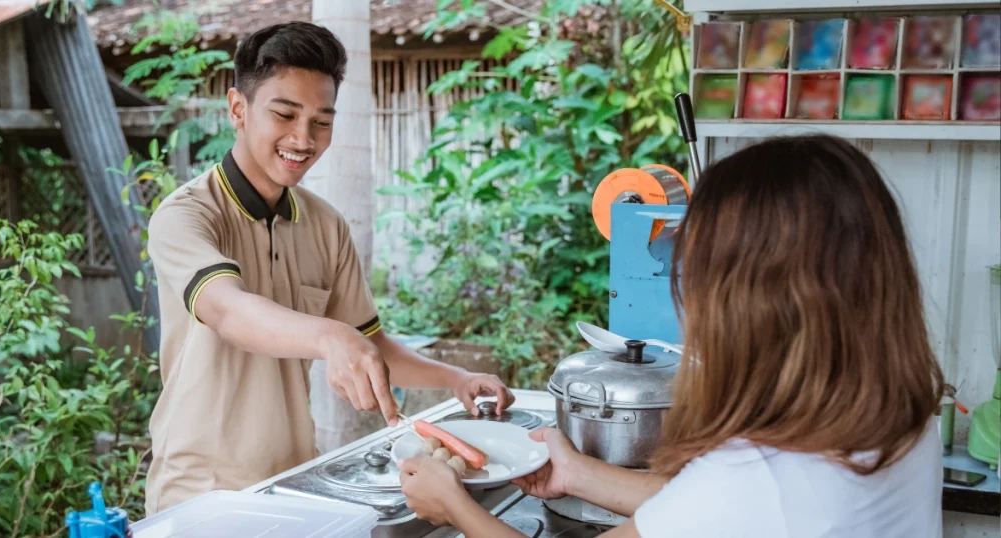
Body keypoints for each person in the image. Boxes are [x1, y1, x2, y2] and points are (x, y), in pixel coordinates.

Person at [399, 135, 945, 538]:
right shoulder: (898, 418)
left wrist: (456, 508)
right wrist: (581, 474)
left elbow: (737, 500)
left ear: (747, 301)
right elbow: (711, 513)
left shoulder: (755, 475)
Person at [143, 22, 514, 515]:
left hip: (297, 481)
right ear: (238, 108)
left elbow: (370, 345)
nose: (304, 138)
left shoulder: (325, 224)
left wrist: (456, 379)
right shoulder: (186, 215)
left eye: (322, 121)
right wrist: (330, 338)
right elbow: (228, 310)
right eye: (284, 114)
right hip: (199, 492)